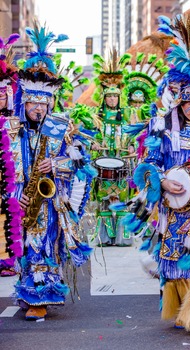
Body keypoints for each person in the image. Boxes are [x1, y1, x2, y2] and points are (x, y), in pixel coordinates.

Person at [123, 14, 190, 335]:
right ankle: (182, 306)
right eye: (189, 102)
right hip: (174, 206)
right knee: (176, 260)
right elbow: (149, 163)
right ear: (180, 99)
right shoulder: (162, 127)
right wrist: (162, 181)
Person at [10, 24, 94, 320]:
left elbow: (83, 163)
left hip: (51, 199)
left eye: (43, 103)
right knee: (26, 248)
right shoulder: (12, 130)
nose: (38, 109)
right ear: (25, 101)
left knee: (45, 246)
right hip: (22, 198)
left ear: (51, 102)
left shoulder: (62, 127)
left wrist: (57, 165)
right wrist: (12, 195)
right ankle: (27, 292)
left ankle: (43, 295)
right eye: (33, 102)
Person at [90, 50, 135, 246]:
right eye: (108, 97)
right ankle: (105, 237)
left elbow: (134, 136)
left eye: (115, 97)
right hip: (103, 164)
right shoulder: (96, 118)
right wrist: (93, 144)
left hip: (122, 164)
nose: (112, 100)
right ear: (104, 98)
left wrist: (132, 146)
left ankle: (123, 238)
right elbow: (89, 137)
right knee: (104, 202)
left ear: (119, 98)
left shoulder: (127, 116)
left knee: (122, 201)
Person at [0, 33, 22, 277]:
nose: (0, 95)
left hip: (11, 177)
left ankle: (7, 260)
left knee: (7, 217)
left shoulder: (16, 121)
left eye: (4, 92)